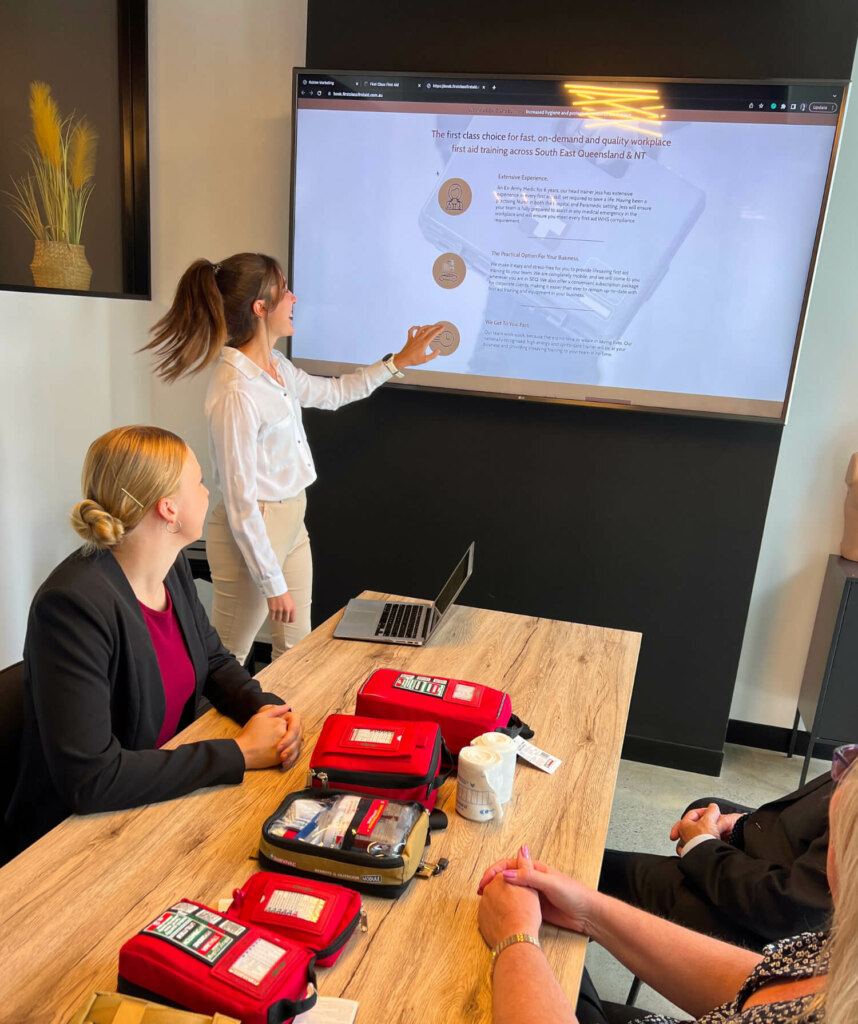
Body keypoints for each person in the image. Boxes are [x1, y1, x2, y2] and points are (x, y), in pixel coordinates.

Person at [5, 425, 304, 853]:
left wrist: (269, 710)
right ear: (168, 509)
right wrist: (239, 753)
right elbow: (92, 779)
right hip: (71, 844)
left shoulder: (172, 568)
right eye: (198, 482)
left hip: (155, 805)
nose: (206, 492)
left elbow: (215, 662)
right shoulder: (72, 605)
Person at [142, 253, 443, 664]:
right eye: (284, 291)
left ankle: (286, 728)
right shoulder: (236, 391)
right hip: (253, 529)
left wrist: (397, 362)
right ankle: (193, 730)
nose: (294, 298)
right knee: (225, 658)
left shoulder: (275, 366)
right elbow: (240, 501)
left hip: (290, 520)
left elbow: (335, 394)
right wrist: (271, 583)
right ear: (260, 308)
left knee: (296, 651)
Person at [477, 744, 858, 1024]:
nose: (836, 791)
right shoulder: (838, 955)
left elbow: (786, 910)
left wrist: (516, 940)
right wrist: (588, 911)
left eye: (847, 775)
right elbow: (762, 984)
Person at [598, 771, 833, 949]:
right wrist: (742, 825)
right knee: (703, 808)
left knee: (599, 872)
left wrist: (702, 848)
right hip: (790, 870)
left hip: (768, 925)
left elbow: (794, 909)